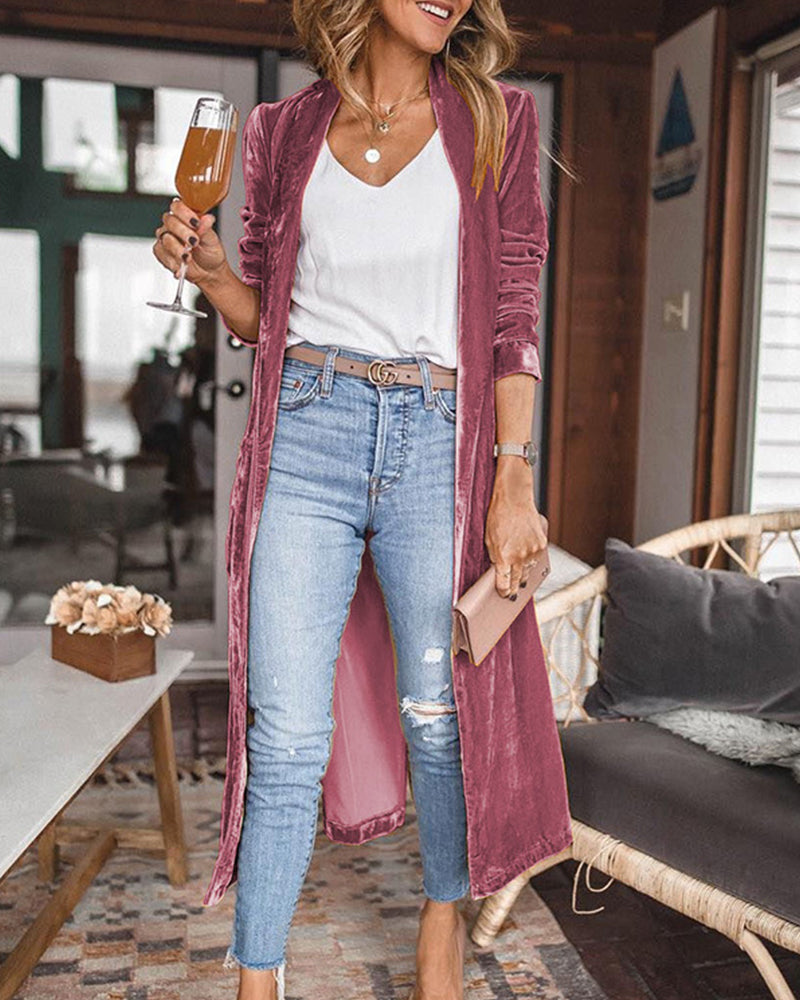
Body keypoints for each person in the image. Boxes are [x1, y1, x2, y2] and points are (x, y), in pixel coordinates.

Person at [152, 2, 568, 998]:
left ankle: (440, 915)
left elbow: (512, 317)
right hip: (306, 427)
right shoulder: (279, 132)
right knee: (285, 729)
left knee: (436, 712)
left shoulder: (496, 120)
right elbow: (269, 309)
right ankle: (259, 974)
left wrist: (512, 473)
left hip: (436, 439)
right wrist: (214, 276)